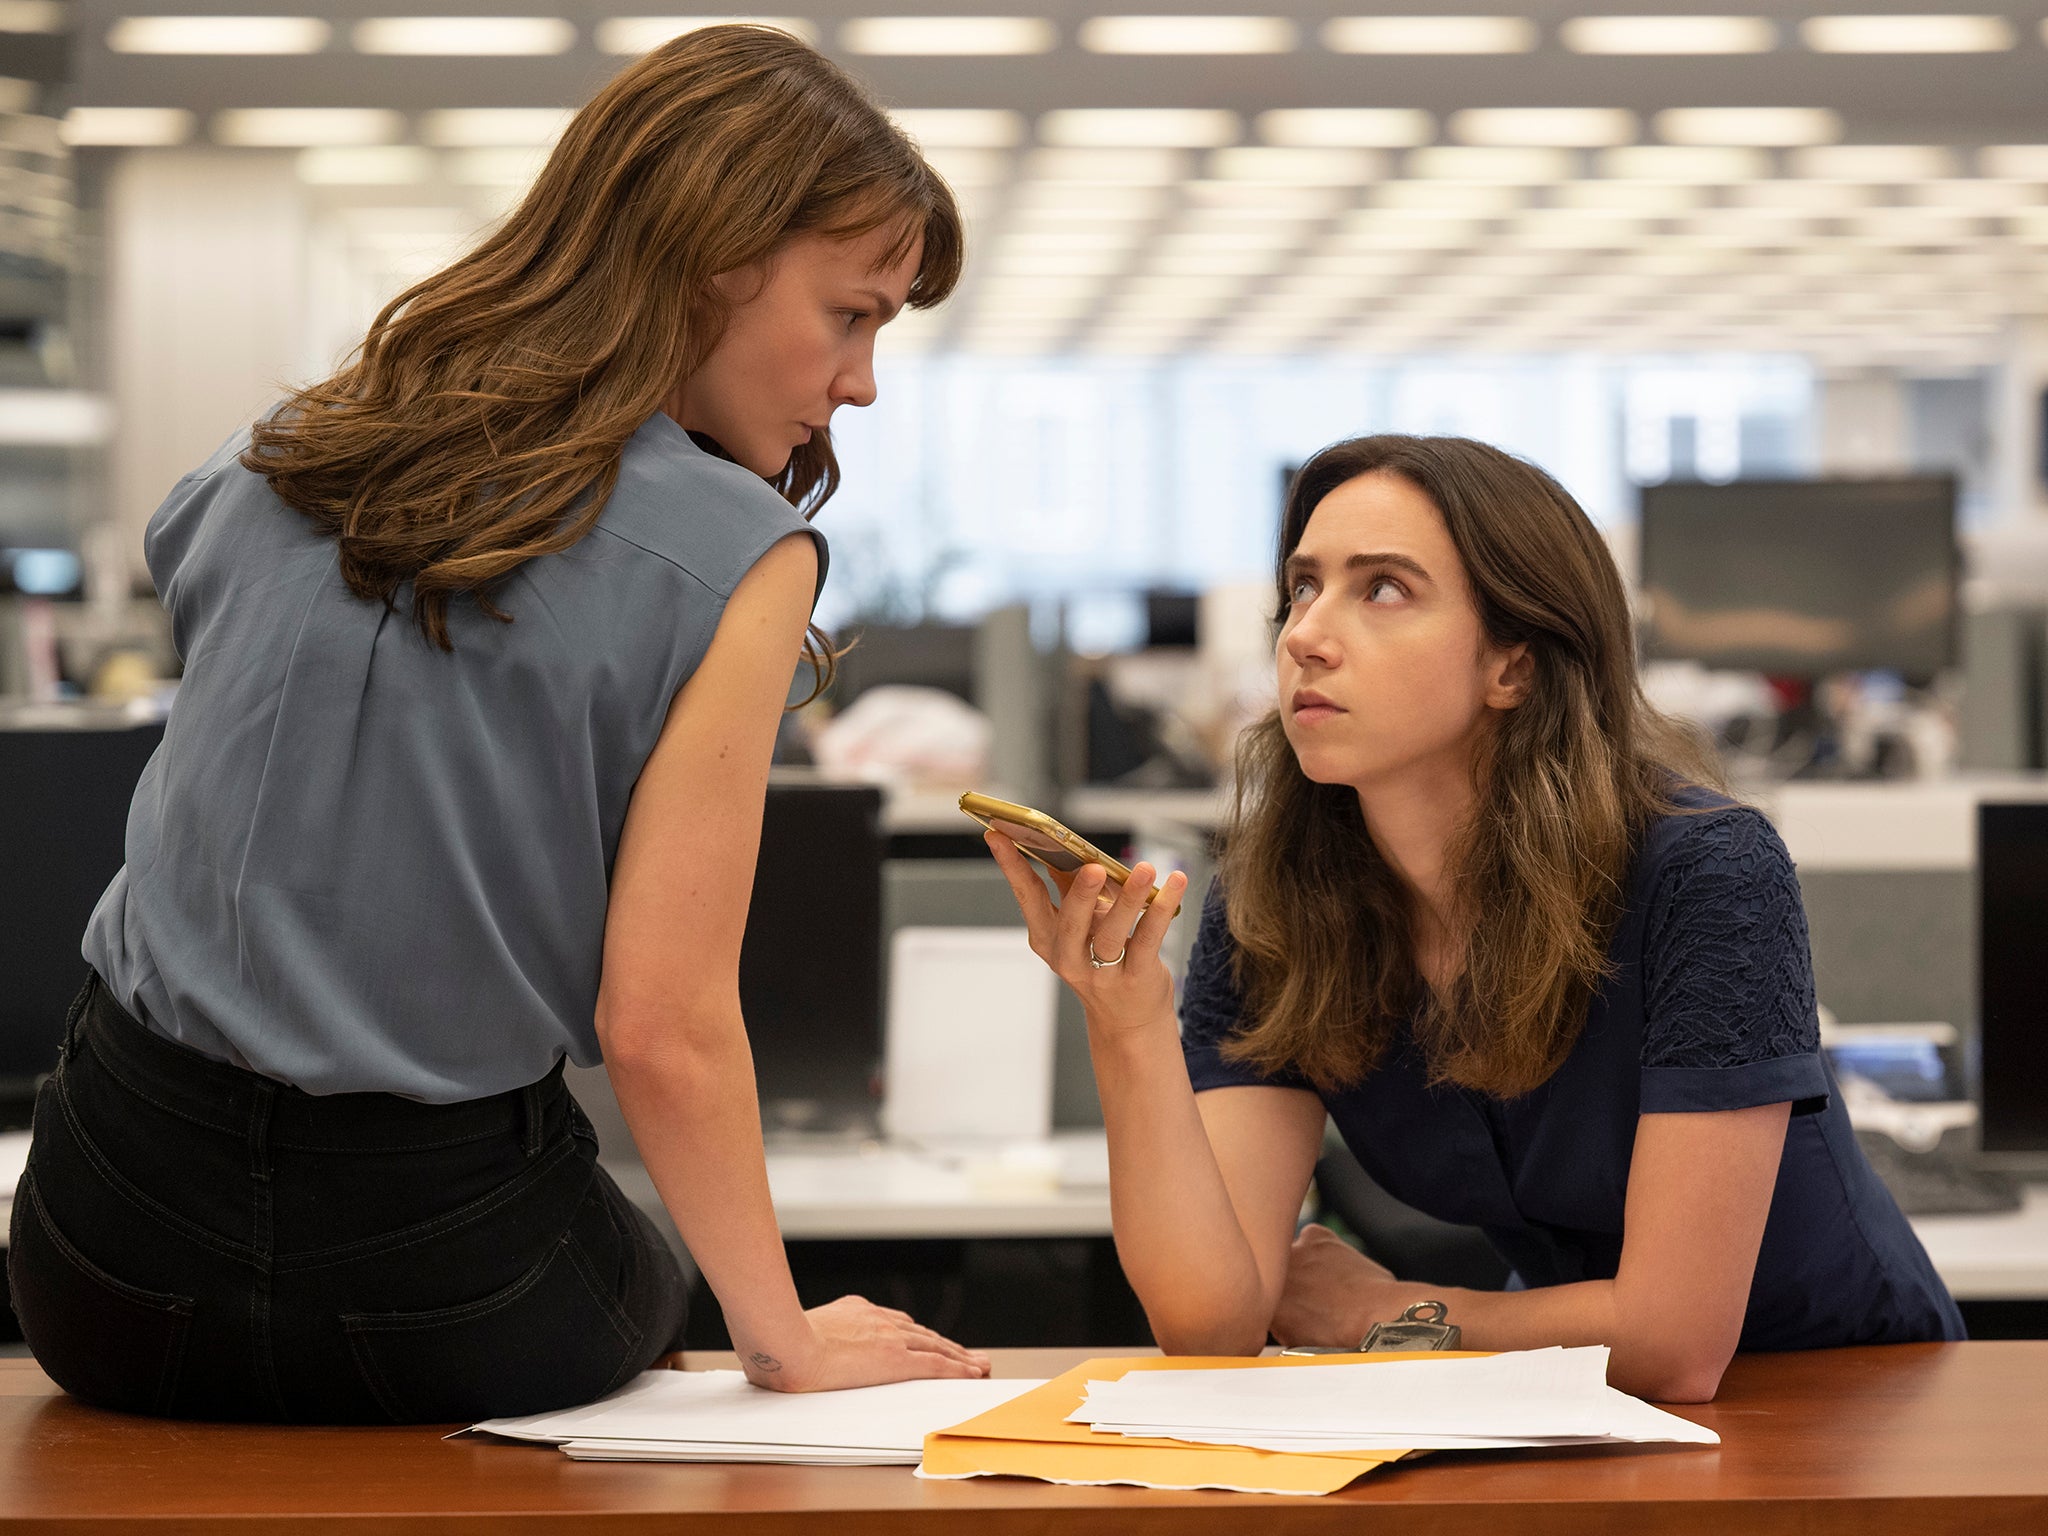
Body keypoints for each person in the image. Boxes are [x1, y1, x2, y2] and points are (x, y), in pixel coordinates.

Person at [8, 25, 989, 1423]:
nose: (863, 380)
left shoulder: (284, 449)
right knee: (641, 1282)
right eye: (855, 312)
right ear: (717, 256)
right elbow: (661, 1026)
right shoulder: (738, 548)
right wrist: (784, 1343)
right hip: (440, 1273)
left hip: (101, 1253)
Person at [983, 433, 1963, 1403]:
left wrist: (1386, 1314)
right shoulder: (1280, 894)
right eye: (1302, 586)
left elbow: (1673, 1344)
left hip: (1831, 1393)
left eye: (1381, 589)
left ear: (1512, 667)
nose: (1303, 635)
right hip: (1552, 1394)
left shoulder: (1701, 874)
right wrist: (1128, 1021)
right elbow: (1209, 1321)